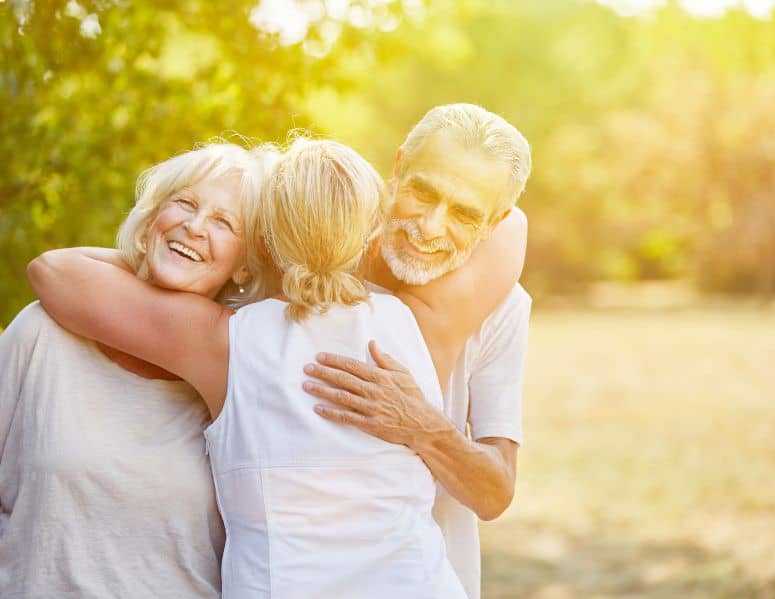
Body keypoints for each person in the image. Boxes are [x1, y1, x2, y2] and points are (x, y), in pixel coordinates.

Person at [27, 137, 525, 598]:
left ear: (260, 244)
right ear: (372, 237)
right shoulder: (418, 325)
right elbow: (513, 225)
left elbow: (54, 272)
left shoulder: (224, 341)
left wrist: (158, 248)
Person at [0, 141, 276, 596]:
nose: (195, 226)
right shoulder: (41, 332)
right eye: (184, 203)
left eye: (224, 222)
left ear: (244, 268)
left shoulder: (236, 379)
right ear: (151, 219)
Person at [300, 103, 533, 599]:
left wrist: (423, 428)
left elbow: (494, 494)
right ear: (398, 165)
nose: (429, 227)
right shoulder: (318, 257)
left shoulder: (504, 308)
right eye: (423, 193)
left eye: (466, 214)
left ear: (497, 221)